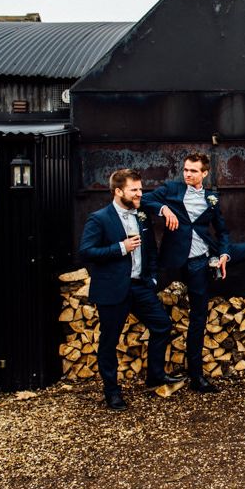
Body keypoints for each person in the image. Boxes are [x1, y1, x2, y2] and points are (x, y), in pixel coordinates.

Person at [142, 152, 245, 394]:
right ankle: (192, 377)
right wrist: (163, 208)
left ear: (204, 173)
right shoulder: (171, 189)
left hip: (210, 254)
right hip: (188, 263)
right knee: (197, 317)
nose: (187, 174)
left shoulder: (211, 198)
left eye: (193, 171)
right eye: (185, 169)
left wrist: (224, 254)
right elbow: (142, 199)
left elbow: (222, 231)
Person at [79, 169, 183, 411]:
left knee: (162, 326)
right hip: (113, 288)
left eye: (140, 189)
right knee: (109, 341)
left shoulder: (142, 215)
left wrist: (153, 279)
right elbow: (86, 252)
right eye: (134, 190)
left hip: (141, 286)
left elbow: (151, 250)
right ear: (118, 191)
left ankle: (155, 376)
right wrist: (120, 247)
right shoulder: (99, 218)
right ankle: (112, 392)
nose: (139, 194)